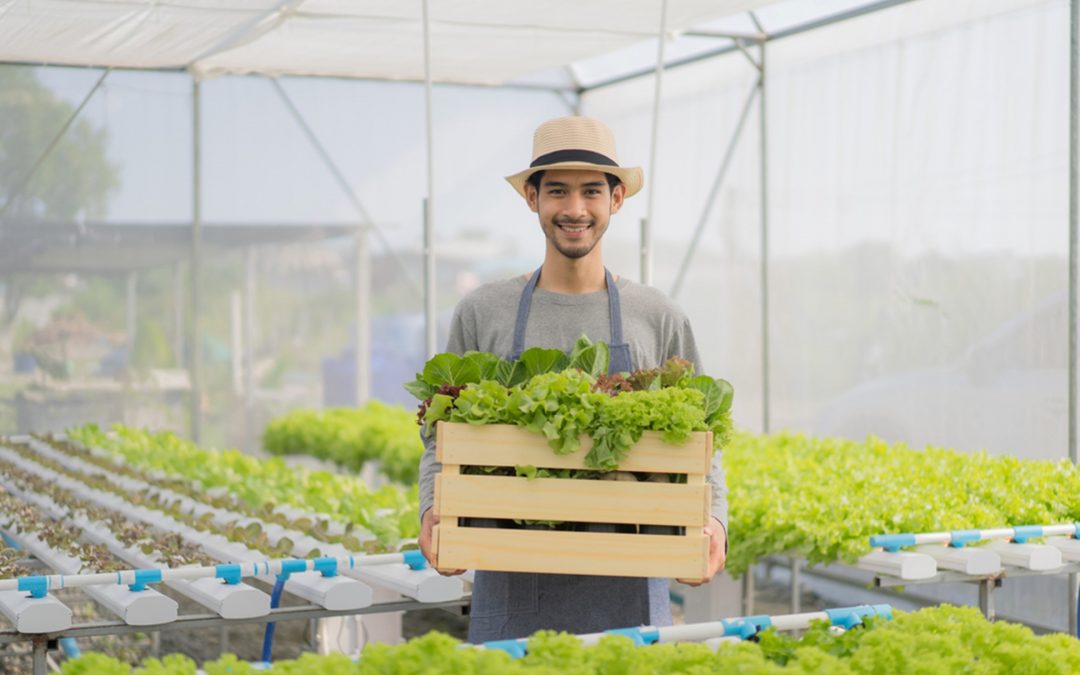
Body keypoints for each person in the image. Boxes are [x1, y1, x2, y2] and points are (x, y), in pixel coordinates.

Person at [417, 116, 728, 643]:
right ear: (532, 199)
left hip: (631, 575)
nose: (575, 209)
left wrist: (713, 521)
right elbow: (439, 434)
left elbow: (705, 440)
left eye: (591, 191)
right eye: (557, 191)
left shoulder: (657, 316)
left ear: (617, 199)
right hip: (510, 572)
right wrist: (432, 507)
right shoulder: (482, 312)